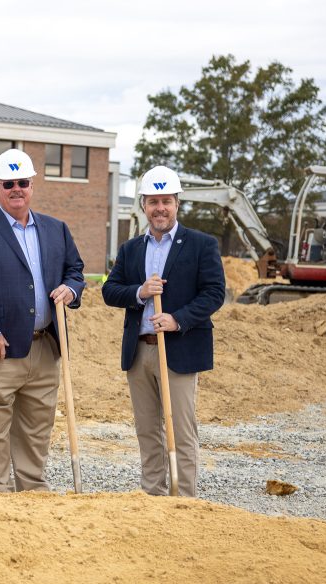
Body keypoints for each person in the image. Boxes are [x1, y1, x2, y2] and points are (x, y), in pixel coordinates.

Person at [0, 148, 85, 492]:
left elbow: (75, 270)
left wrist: (71, 289)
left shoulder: (56, 229)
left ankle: (31, 488)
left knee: (36, 425)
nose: (17, 189)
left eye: (23, 182)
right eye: (9, 183)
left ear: (32, 185)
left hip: (44, 346)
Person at [102, 165, 225, 497]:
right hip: (139, 351)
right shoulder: (131, 250)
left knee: (181, 429)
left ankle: (183, 499)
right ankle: (152, 496)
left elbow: (214, 293)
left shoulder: (201, 245)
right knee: (147, 429)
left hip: (179, 350)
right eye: (154, 201)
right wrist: (139, 292)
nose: (160, 208)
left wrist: (177, 319)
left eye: (166, 201)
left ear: (177, 203)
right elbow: (109, 291)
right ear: (143, 204)